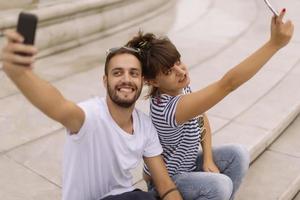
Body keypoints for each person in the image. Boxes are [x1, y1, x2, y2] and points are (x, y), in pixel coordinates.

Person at [126, 9, 294, 200]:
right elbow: (228, 84)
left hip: (186, 167)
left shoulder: (179, 88)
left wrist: (207, 158)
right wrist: (274, 44)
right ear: (153, 82)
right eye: (169, 71)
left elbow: (201, 117)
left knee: (237, 154)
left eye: (179, 62)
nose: (180, 71)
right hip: (165, 184)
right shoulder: (169, 109)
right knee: (219, 185)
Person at [1, 30, 183, 200]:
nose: (126, 79)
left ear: (142, 81)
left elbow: (165, 185)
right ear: (105, 81)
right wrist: (20, 74)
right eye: (117, 73)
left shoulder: (145, 126)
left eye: (133, 73)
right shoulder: (90, 116)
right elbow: (59, 105)